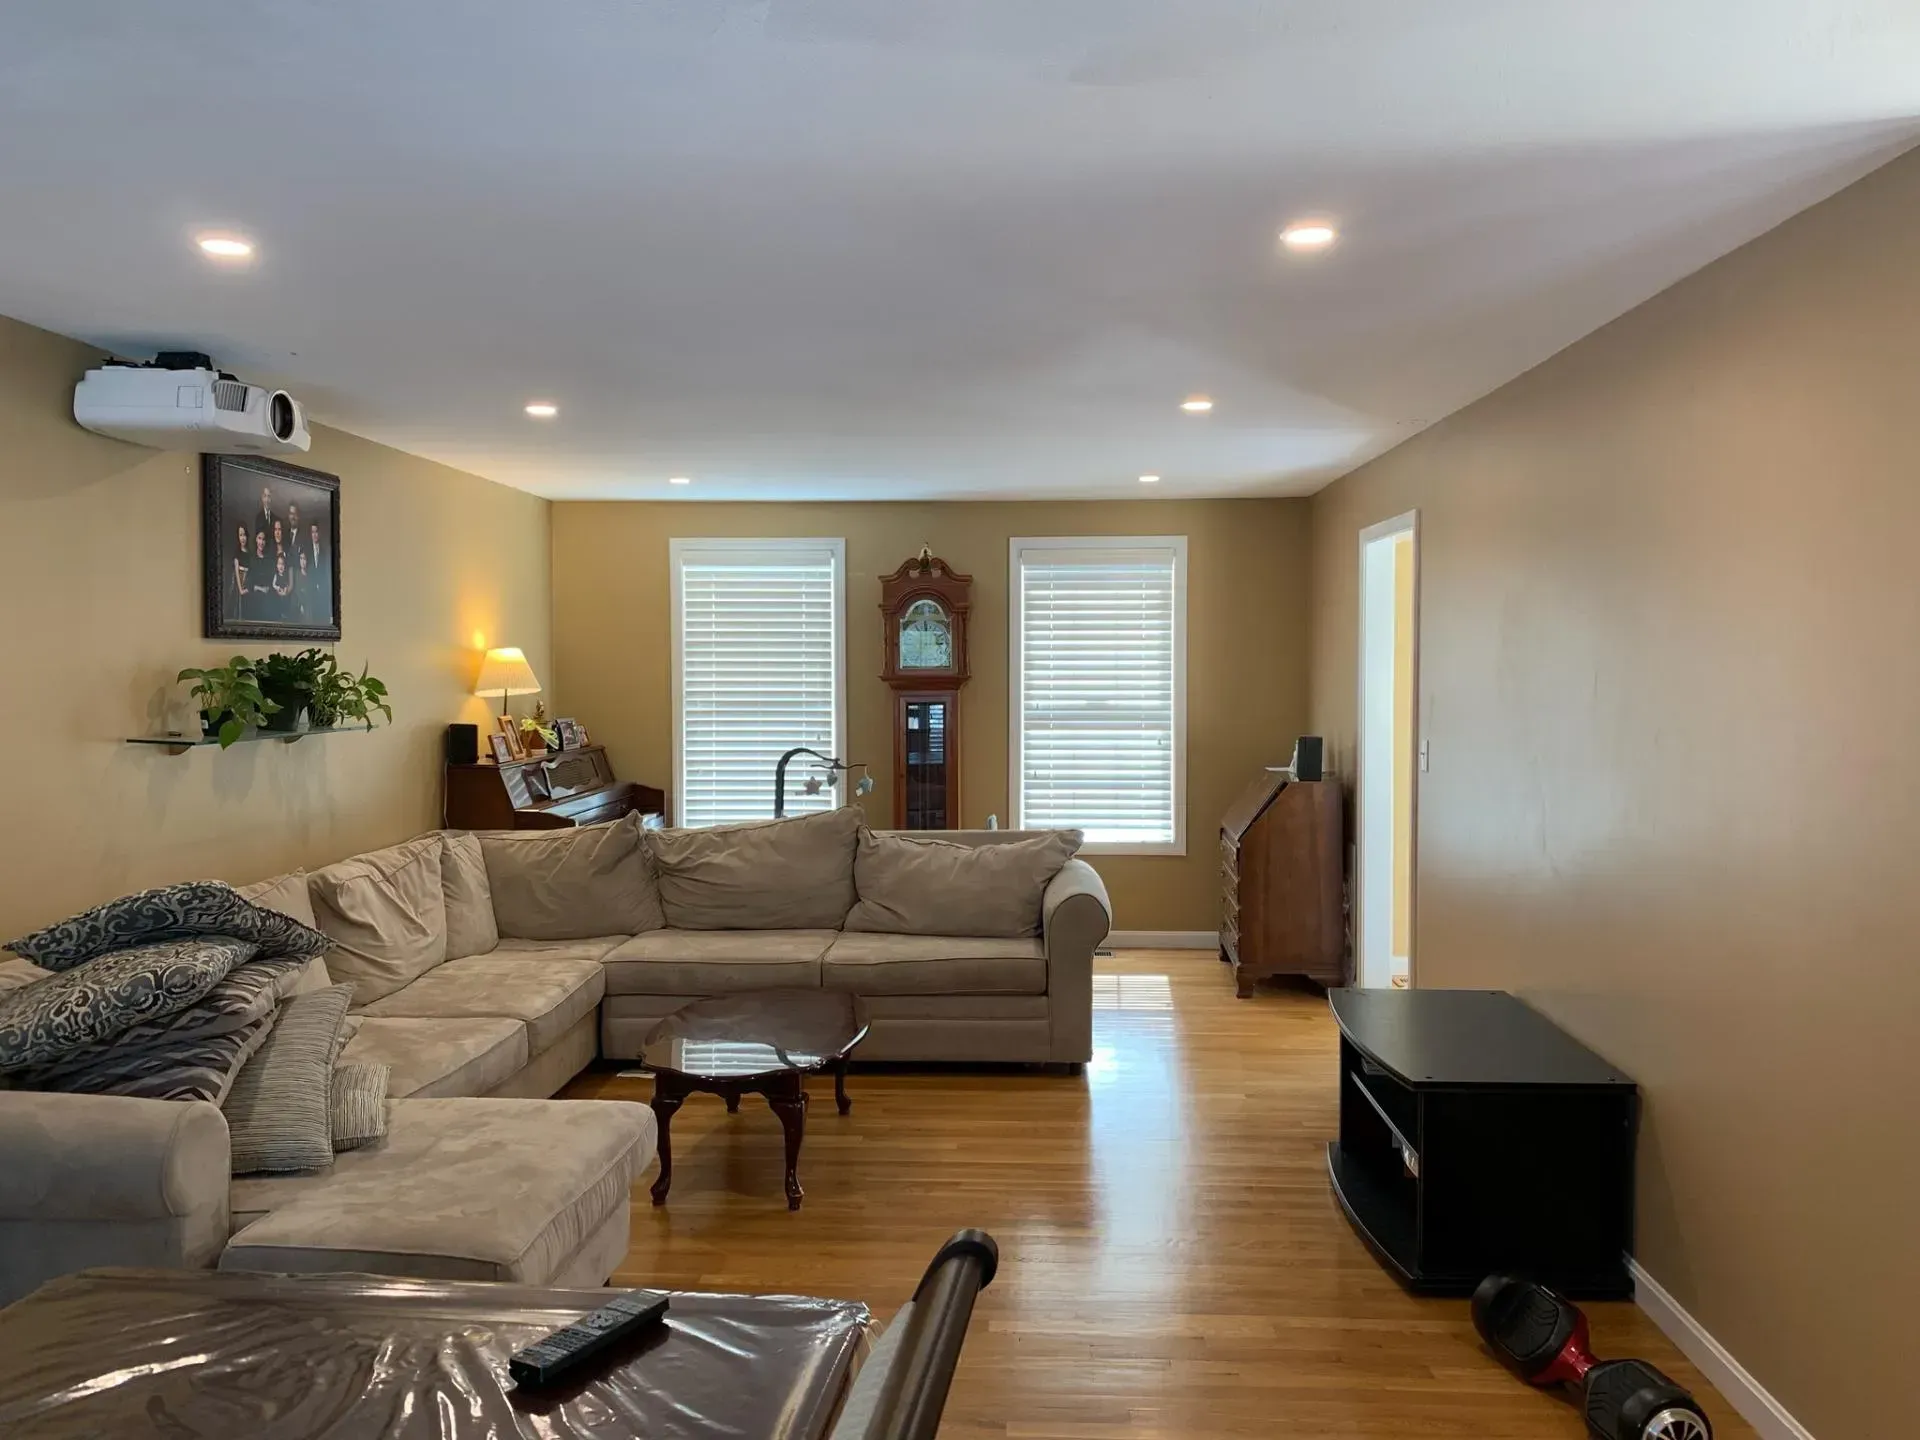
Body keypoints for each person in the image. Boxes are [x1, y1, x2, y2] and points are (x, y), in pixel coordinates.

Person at [231, 523, 251, 621]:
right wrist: (240, 589)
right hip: (239, 584)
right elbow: (236, 572)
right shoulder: (237, 552)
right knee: (238, 609)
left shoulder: (249, 553)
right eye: (240, 535)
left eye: (244, 535)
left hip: (247, 583)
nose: (243, 538)